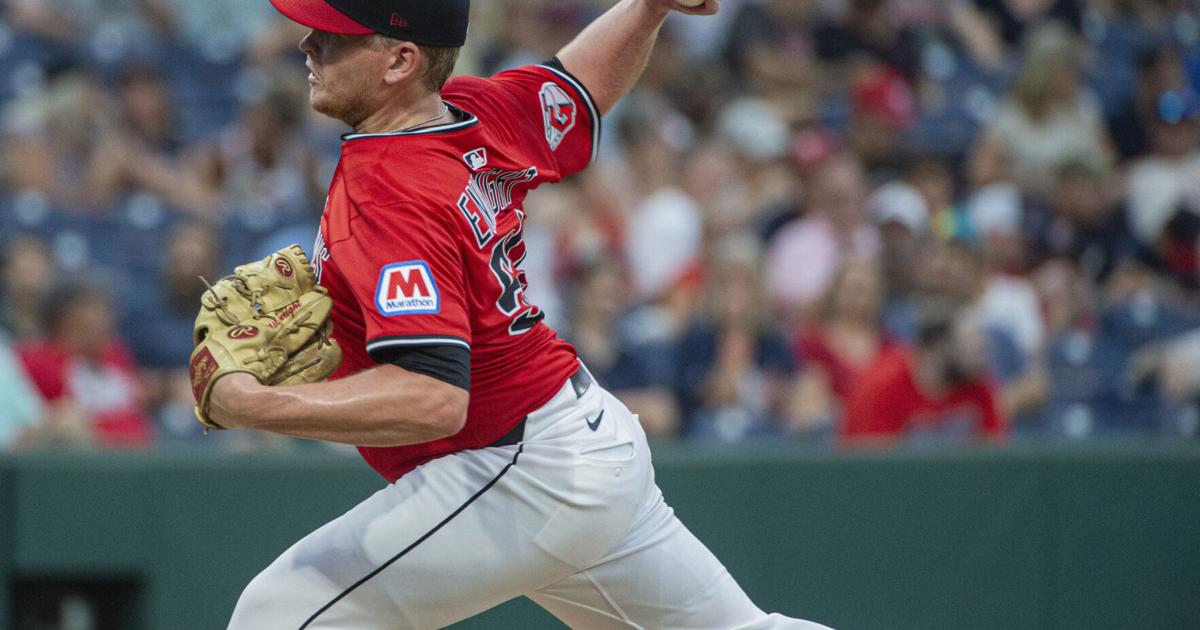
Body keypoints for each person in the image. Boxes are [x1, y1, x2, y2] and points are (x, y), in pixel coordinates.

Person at [204, 1, 834, 628]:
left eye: (335, 36)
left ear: (401, 59)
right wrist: (646, 10)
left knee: (278, 614)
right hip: (579, 440)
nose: (308, 45)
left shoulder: (391, 188)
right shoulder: (474, 110)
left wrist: (255, 406)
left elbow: (433, 397)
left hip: (519, 467)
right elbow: (577, 87)